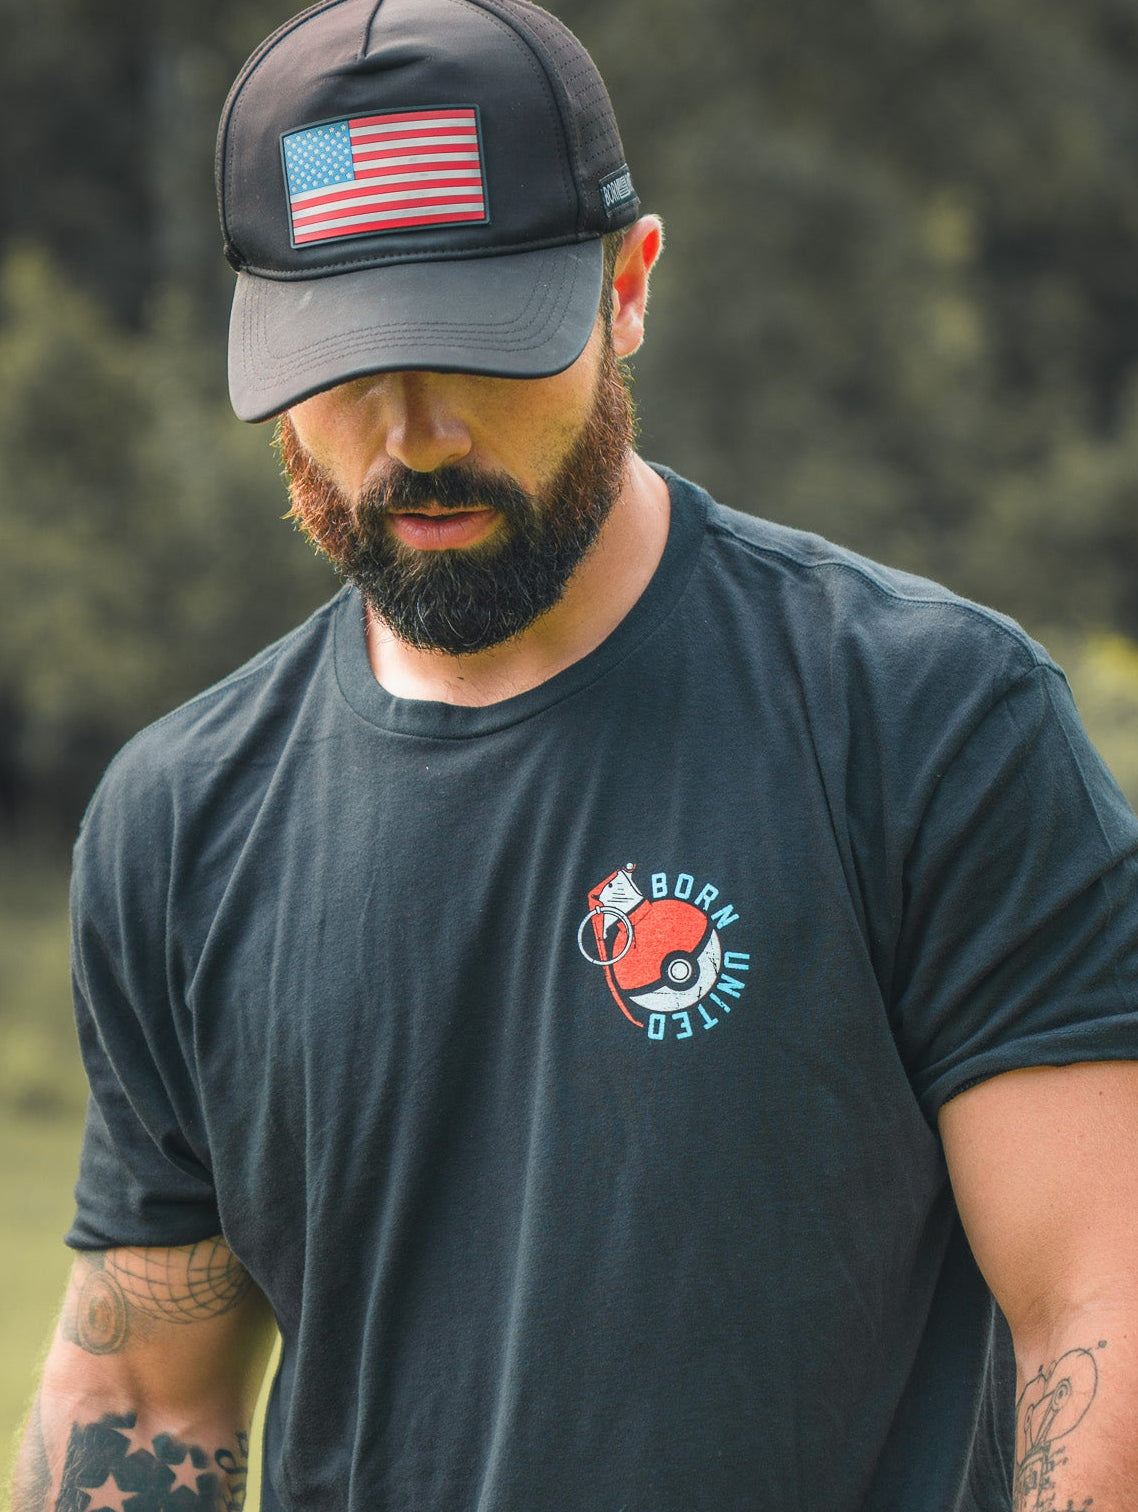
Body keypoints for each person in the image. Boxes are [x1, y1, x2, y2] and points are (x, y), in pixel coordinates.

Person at [13, 0, 1138, 1507]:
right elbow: (145, 1398)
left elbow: (1099, 1312)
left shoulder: (924, 723)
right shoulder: (178, 823)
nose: (412, 436)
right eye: (344, 368)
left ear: (627, 291)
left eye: (477, 353)